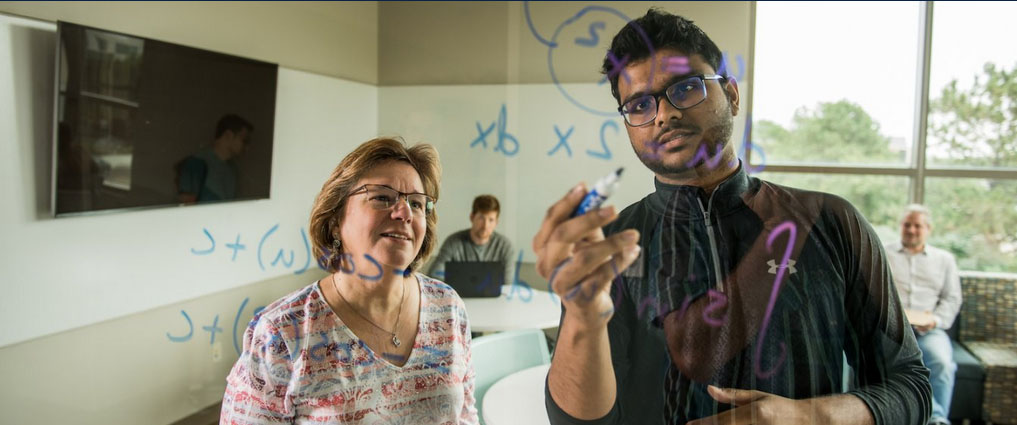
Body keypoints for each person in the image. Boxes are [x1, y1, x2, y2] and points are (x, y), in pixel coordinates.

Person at [536, 9, 931, 425]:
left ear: (732, 95)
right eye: (639, 105)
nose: (664, 114)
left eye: (685, 88)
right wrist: (582, 319)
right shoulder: (610, 245)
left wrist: (811, 416)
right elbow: (578, 423)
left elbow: (910, 387)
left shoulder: (828, 222)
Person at [221, 137, 479, 424]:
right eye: (382, 197)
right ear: (335, 220)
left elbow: (465, 415)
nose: (404, 213)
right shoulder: (281, 333)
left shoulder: (448, 308)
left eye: (417, 204)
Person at [885, 205, 961, 425]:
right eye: (907, 224)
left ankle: (937, 419)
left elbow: (952, 298)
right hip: (893, 330)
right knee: (882, 361)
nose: (911, 230)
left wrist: (935, 320)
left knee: (941, 362)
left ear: (928, 229)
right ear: (900, 227)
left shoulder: (944, 260)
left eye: (917, 225)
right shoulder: (883, 253)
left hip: (930, 331)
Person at [426, 195, 515, 288]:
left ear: (496, 222)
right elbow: (434, 275)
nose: (485, 225)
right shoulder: (453, 242)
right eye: (481, 218)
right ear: (472, 217)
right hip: (459, 298)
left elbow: (507, 284)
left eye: (491, 220)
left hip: (493, 301)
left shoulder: (505, 246)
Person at [177, 114, 252, 204]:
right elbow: (186, 207)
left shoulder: (233, 170)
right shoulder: (196, 162)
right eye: (244, 141)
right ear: (228, 135)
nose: (247, 148)